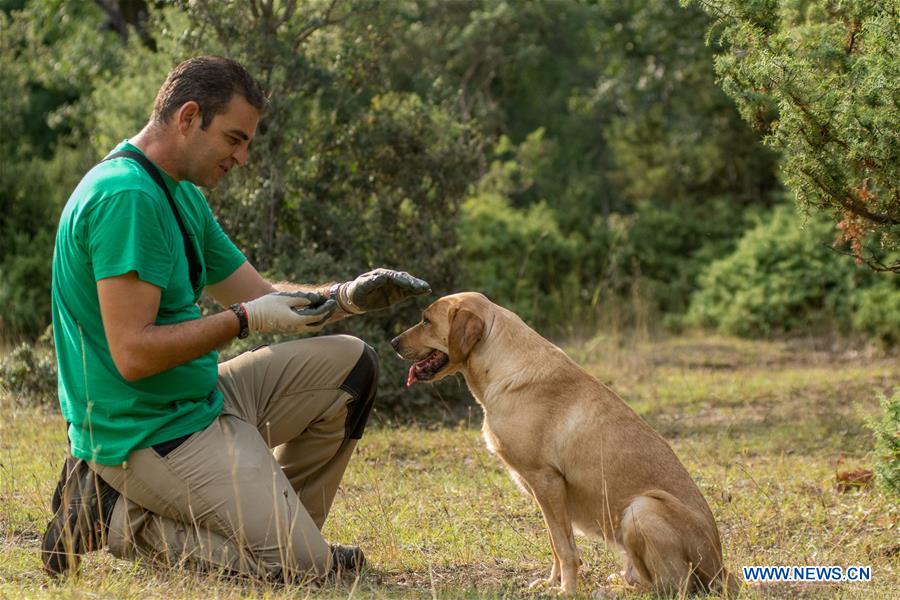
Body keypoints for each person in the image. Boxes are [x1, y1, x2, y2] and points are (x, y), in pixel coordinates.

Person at [42, 55, 431, 584]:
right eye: (234, 138)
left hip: (200, 399)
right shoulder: (126, 197)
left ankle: (290, 539)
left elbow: (263, 297)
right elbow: (133, 356)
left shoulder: (178, 192)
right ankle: (113, 515)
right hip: (144, 430)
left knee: (351, 364)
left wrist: (348, 297)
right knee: (308, 571)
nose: (242, 157)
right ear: (188, 117)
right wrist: (242, 321)